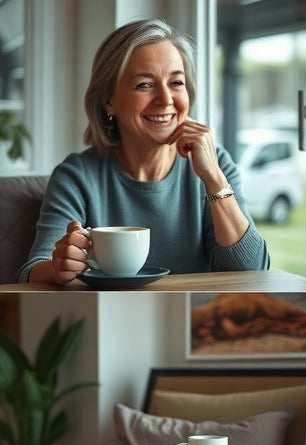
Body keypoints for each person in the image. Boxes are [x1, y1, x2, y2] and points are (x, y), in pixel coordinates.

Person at [18, 18, 269, 284]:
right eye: (144, 85)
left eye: (176, 82)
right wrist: (60, 265)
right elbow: (32, 271)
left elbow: (252, 271)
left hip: (192, 319)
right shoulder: (77, 176)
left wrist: (214, 179)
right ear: (109, 102)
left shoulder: (215, 165)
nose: (166, 99)